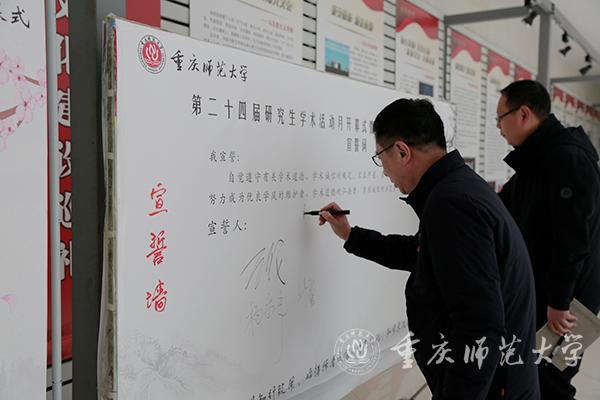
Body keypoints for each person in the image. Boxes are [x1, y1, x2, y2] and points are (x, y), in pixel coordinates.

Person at [319, 98, 539, 399]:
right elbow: (423, 253)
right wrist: (351, 235)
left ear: (402, 151)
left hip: (492, 387)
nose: (384, 172)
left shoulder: (452, 204)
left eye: (380, 157)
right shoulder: (457, 187)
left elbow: (479, 324)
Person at [497, 80, 600, 399]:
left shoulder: (566, 158)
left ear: (523, 114)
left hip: (570, 305)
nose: (499, 127)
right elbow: (503, 208)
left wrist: (559, 302)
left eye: (501, 118)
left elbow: (573, 240)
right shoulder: (538, 159)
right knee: (537, 376)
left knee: (553, 378)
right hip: (552, 295)